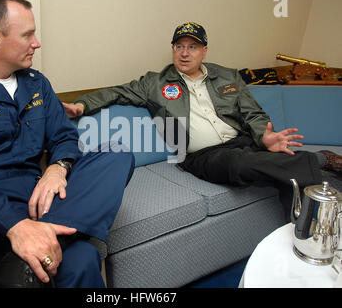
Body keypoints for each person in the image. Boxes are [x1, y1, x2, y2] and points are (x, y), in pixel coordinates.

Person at [0, 0, 134, 288]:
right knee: (84, 256)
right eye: (28, 35)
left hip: (40, 207)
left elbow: (64, 136)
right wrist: (16, 226)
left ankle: (29, 255)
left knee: (118, 153)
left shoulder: (37, 83)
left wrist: (58, 167)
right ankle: (18, 261)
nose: (37, 43)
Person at [64, 22, 341, 216]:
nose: (185, 53)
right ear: (173, 49)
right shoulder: (154, 83)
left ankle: (301, 231)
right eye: (179, 46)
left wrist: (264, 135)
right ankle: (319, 160)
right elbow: (117, 93)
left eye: (193, 47)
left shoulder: (227, 76)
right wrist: (81, 105)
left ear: (204, 51)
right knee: (239, 163)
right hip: (202, 156)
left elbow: (252, 112)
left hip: (243, 141)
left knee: (286, 178)